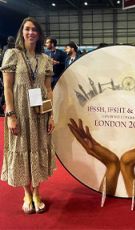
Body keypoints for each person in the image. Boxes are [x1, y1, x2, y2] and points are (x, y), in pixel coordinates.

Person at [0, 17, 55, 214]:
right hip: (20, 112)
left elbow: (48, 89)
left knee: (38, 148)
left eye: (34, 30)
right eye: (27, 29)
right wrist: (11, 114)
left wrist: (51, 115)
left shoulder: (45, 59)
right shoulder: (12, 55)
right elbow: (7, 86)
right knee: (22, 148)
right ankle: (27, 193)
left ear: (39, 35)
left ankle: (37, 192)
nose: (30, 33)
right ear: (22, 32)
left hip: (40, 113)